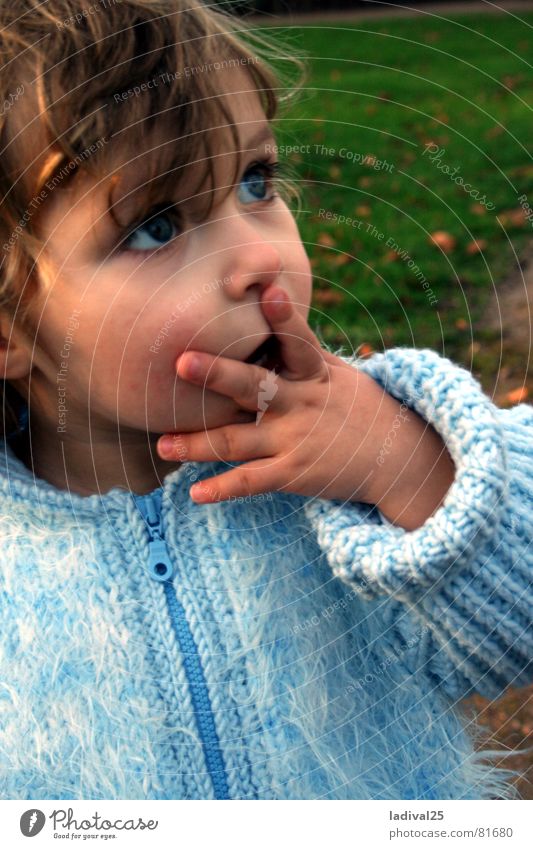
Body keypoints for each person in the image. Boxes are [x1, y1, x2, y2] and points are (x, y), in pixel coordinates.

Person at [0, 0, 531, 800]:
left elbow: (513, 631)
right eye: (156, 225)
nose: (260, 256)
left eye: (255, 181)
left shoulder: (356, 447)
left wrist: (410, 467)